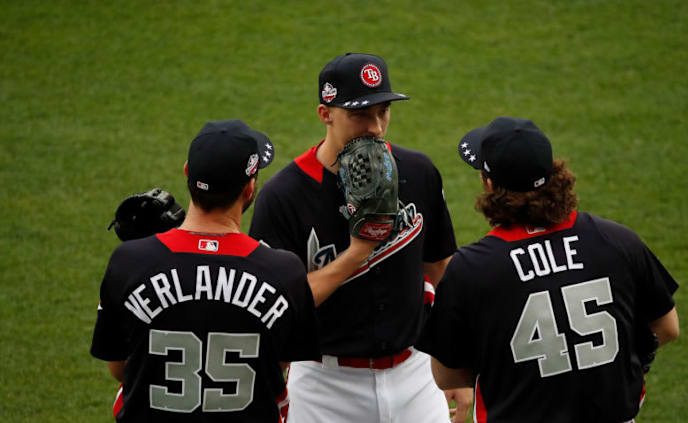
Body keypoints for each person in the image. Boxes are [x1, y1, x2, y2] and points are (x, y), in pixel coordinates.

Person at [249, 52, 472, 422]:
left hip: (415, 374)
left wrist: (452, 364)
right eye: (359, 115)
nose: (376, 128)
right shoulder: (284, 197)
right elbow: (278, 310)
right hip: (325, 384)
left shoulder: (418, 173)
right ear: (326, 114)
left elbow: (441, 270)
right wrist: (357, 254)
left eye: (382, 112)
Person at [416, 116, 680, 422]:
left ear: (489, 184)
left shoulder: (472, 268)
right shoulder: (617, 241)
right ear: (555, 175)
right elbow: (668, 328)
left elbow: (447, 376)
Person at [90, 119, 320, 422]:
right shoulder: (283, 271)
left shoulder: (128, 261)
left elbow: (120, 369)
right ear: (250, 187)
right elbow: (274, 369)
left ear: (187, 172)